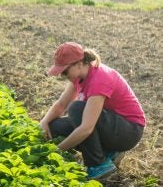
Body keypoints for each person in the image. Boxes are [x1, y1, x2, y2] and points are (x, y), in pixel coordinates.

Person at [39, 42, 145, 179]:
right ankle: (107, 151)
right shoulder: (78, 77)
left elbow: (86, 129)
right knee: (55, 127)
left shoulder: (99, 79)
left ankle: (98, 164)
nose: (63, 75)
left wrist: (56, 150)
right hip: (110, 125)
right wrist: (44, 123)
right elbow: (61, 104)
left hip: (128, 131)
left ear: (79, 64)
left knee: (76, 109)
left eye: (65, 71)